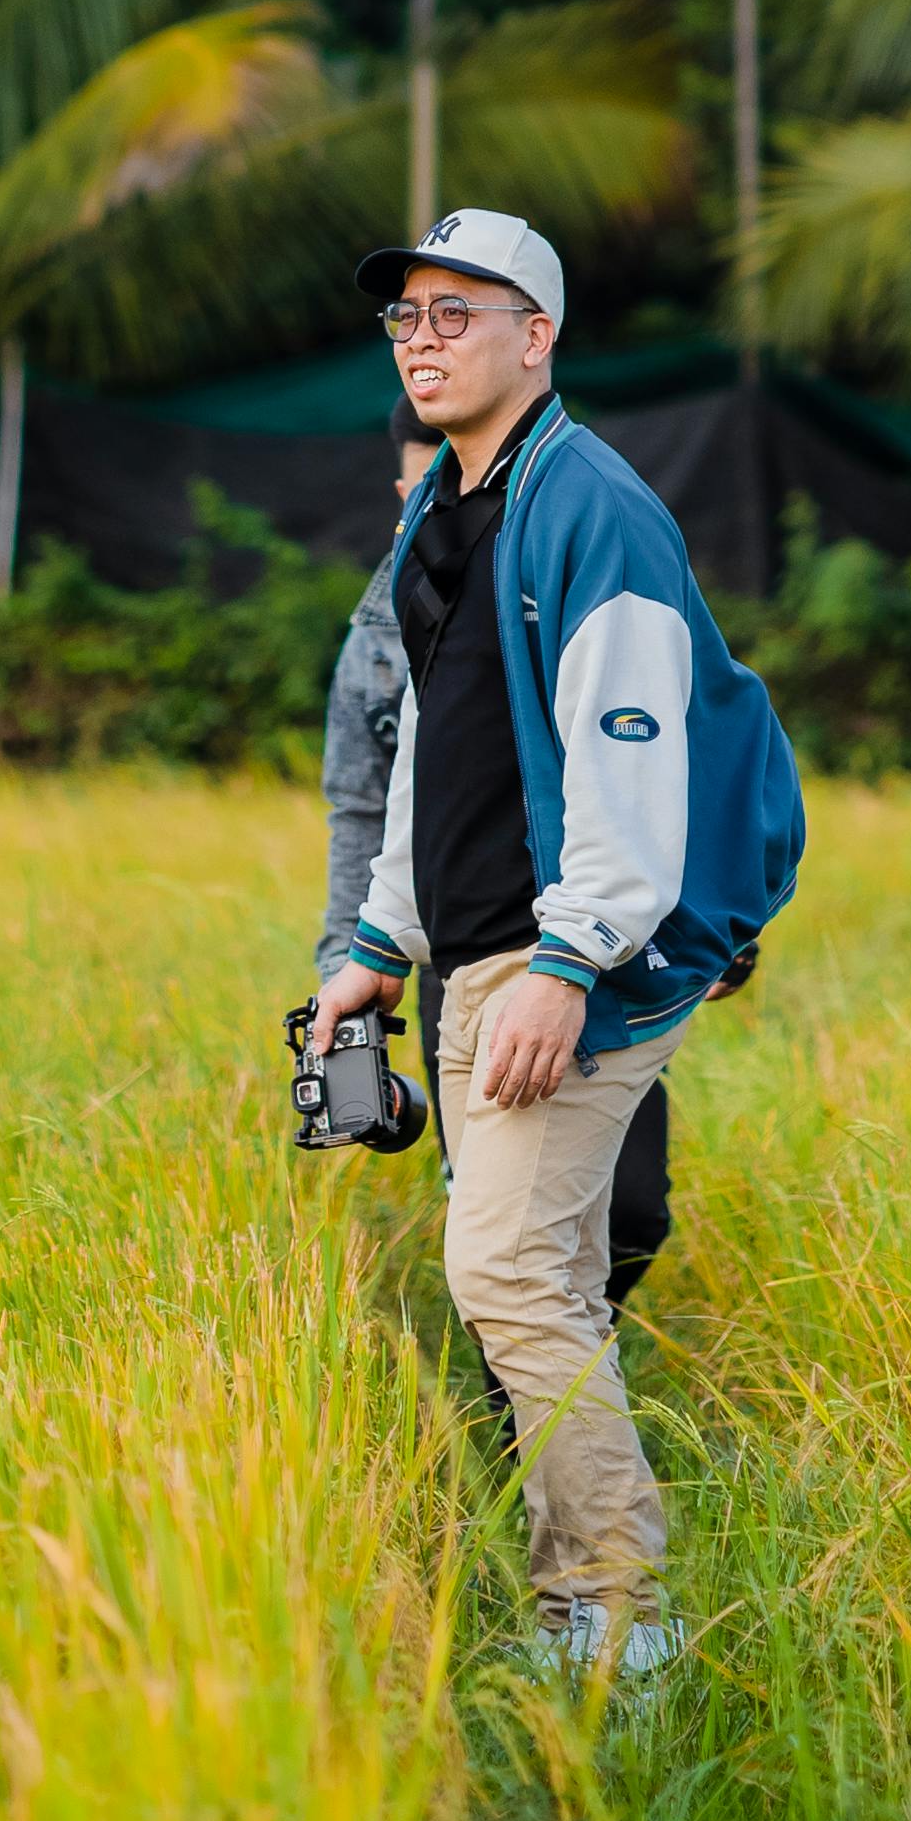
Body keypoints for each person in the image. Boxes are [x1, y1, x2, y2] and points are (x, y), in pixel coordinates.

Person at [310, 205, 803, 1681]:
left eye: (462, 312)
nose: (426, 337)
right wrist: (379, 941)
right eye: (408, 316)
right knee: (549, 1279)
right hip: (473, 959)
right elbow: (427, 762)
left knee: (510, 1279)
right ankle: (573, 1605)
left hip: (564, 970)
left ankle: (618, 1624)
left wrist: (568, 964)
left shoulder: (592, 506)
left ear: (541, 335)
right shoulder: (446, 507)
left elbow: (629, 764)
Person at [318, 430, 676, 1311]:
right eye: (417, 470)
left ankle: (558, 1384)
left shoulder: (574, 530)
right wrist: (358, 951)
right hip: (450, 942)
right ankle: (523, 1423)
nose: (430, 487)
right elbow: (372, 801)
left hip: (580, 942)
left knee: (609, 1222)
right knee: (501, 1248)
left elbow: (645, 754)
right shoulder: (394, 606)